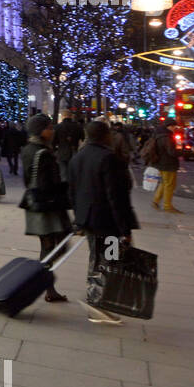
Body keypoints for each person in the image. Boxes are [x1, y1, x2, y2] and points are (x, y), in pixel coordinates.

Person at [70, 120, 139, 325]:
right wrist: (124, 228)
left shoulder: (78, 157)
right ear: (105, 136)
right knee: (108, 262)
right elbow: (115, 197)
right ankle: (98, 305)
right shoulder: (108, 158)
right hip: (108, 222)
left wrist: (79, 219)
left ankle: (97, 301)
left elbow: (72, 192)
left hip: (89, 219)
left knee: (97, 259)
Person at [19, 113, 71, 302]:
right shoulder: (44, 152)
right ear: (40, 131)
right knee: (59, 246)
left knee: (49, 246)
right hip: (47, 206)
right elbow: (48, 183)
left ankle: (47, 286)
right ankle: (42, 281)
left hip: (34, 203)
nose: (52, 130)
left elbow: (27, 179)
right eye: (49, 127)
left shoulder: (28, 149)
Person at [144, 122, 182, 213]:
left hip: (160, 164)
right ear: (168, 126)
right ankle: (167, 206)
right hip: (168, 164)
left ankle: (155, 202)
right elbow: (171, 152)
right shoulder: (167, 137)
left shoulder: (158, 135)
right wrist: (183, 151)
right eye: (173, 126)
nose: (174, 128)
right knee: (170, 185)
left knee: (163, 183)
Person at [53, 109, 83, 184]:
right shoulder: (77, 126)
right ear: (71, 116)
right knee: (75, 173)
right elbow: (83, 138)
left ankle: (65, 188)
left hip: (62, 152)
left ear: (62, 116)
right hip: (74, 151)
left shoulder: (57, 127)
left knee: (63, 173)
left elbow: (54, 141)